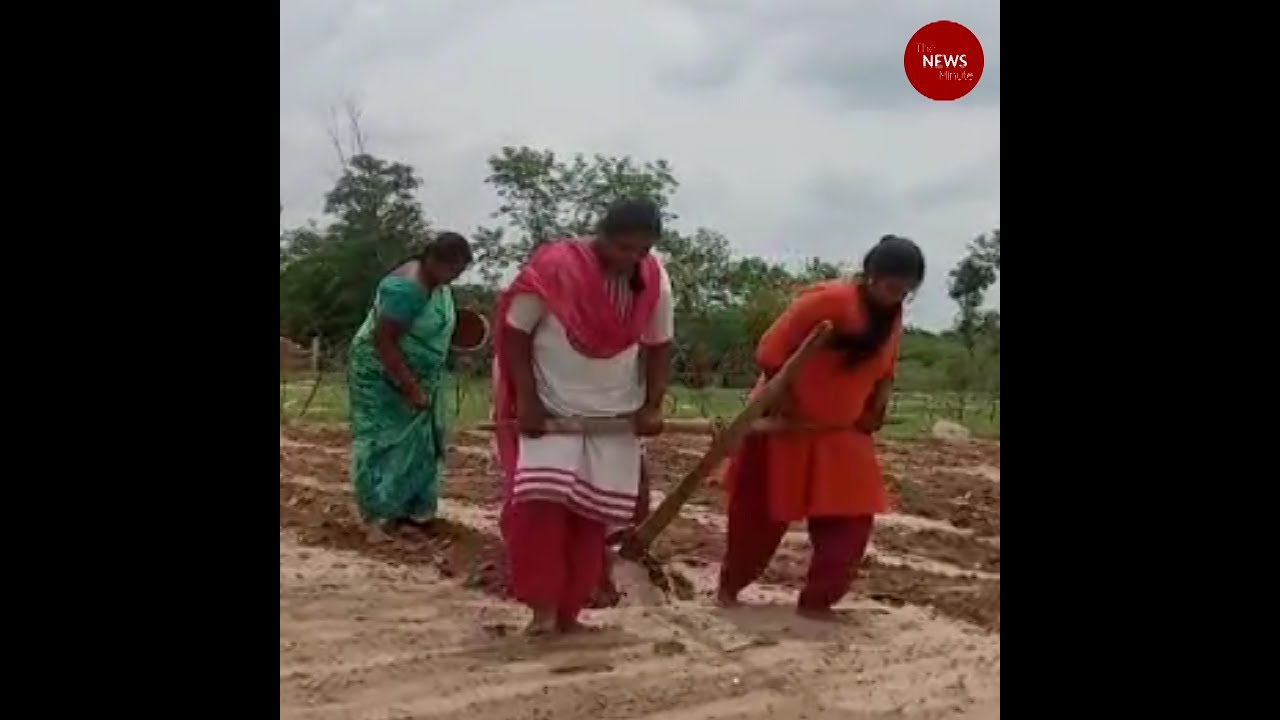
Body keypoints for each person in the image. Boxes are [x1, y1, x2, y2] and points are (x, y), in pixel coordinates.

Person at [716, 235, 926, 620]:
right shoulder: (828, 301)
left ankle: (817, 602)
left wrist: (876, 408)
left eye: (906, 292)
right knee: (759, 519)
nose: (897, 298)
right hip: (782, 425)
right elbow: (770, 352)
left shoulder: (892, 316)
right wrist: (786, 405)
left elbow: (886, 368)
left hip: (841, 430)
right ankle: (730, 587)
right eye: (892, 288)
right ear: (870, 276)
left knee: (850, 522)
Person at [493, 199, 674, 635]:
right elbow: (515, 333)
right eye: (624, 248)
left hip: (615, 415)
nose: (632, 258)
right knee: (538, 514)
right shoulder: (554, 268)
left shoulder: (655, 279)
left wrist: (652, 405)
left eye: (642, 250)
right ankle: (541, 613)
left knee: (590, 519)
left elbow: (658, 346)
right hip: (550, 409)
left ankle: (570, 613)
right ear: (601, 237)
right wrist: (528, 401)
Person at [347, 232, 474, 534]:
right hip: (381, 375)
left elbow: (431, 328)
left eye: (459, 271)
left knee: (421, 441)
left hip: (420, 374)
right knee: (385, 440)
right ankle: (380, 512)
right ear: (432, 259)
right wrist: (409, 387)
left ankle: (412, 509)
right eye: (451, 269)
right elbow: (384, 341)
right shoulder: (406, 289)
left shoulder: (437, 286)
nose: (453, 277)